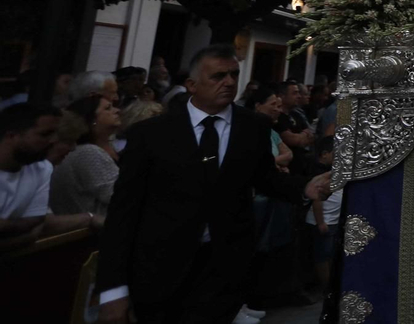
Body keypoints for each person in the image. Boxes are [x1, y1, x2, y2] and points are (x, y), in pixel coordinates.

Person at [96, 44, 331, 324]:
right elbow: (123, 213)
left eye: (233, 74)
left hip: (224, 270)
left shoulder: (252, 126)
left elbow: (265, 178)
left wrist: (303, 187)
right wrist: (113, 291)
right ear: (192, 85)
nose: (229, 82)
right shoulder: (151, 134)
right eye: (218, 76)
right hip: (159, 270)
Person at [0, 103, 97, 252]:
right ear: (12, 135)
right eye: (45, 134)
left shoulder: (42, 168)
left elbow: (36, 226)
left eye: (55, 135)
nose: (52, 141)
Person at [50, 94, 121, 217]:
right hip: (96, 229)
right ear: (92, 119)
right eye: (108, 108)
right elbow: (118, 194)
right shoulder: (88, 153)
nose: (117, 110)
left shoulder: (108, 147)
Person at [307, 136, 342, 295]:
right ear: (324, 154)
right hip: (323, 221)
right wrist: (320, 222)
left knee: (330, 255)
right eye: (335, 153)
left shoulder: (334, 170)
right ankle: (327, 290)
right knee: (322, 257)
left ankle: (332, 285)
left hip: (333, 220)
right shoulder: (318, 173)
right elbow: (316, 200)